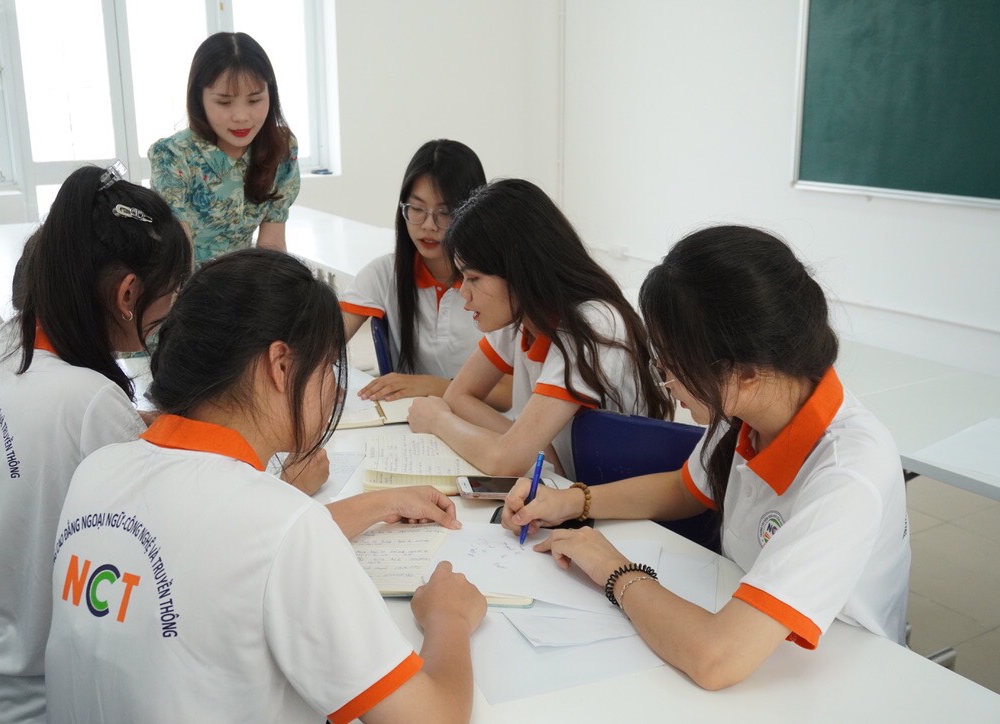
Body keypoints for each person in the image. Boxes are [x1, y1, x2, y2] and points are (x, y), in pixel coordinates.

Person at [45, 248, 487, 723]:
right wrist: (448, 618)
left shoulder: (98, 469)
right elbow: (431, 718)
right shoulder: (281, 525)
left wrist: (376, 504)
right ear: (280, 365)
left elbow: (228, 553)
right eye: (326, 369)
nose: (333, 391)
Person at [502, 226, 911, 690]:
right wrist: (572, 501)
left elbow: (717, 659)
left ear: (748, 370)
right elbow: (683, 489)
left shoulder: (849, 473)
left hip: (828, 680)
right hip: (752, 628)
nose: (668, 384)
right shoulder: (746, 404)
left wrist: (614, 569)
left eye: (672, 366)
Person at [0, 163, 192, 721]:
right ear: (127, 294)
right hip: (41, 704)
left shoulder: (1, 347)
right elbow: (189, 561)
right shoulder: (87, 402)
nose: (170, 312)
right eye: (170, 296)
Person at [407, 178, 672, 477]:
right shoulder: (517, 317)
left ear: (520, 270)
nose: (463, 293)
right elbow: (458, 397)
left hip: (614, 510)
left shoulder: (595, 325)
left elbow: (506, 460)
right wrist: (527, 448)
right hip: (563, 492)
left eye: (475, 278)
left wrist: (438, 421)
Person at [340, 139, 510, 409]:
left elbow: (509, 395)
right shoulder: (384, 273)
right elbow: (324, 344)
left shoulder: (498, 284)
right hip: (417, 424)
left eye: (445, 213)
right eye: (417, 209)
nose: (428, 226)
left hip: (486, 425)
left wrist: (434, 386)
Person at [149, 31, 299, 263]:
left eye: (254, 100)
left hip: (240, 285)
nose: (241, 117)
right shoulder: (174, 156)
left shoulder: (281, 149)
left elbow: (272, 248)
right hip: (183, 288)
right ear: (199, 99)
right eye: (224, 102)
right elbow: (178, 261)